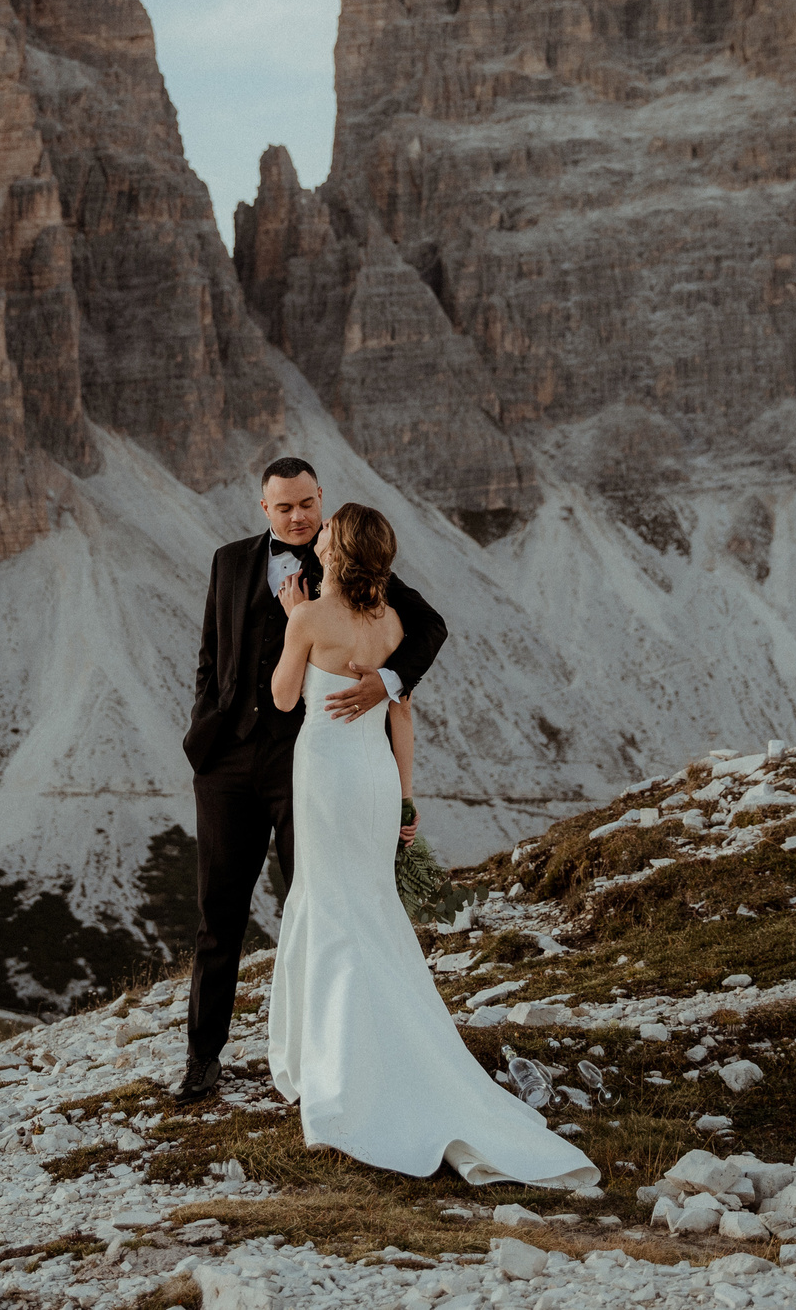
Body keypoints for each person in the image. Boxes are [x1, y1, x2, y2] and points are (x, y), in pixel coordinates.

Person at [265, 502, 599, 1189]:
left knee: (330, 906)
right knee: (368, 906)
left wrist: (293, 617)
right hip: (377, 778)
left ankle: (341, 1069)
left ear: (337, 552)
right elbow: (403, 715)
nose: (316, 535)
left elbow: (283, 697)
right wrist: (406, 799)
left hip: (326, 776)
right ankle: (385, 1045)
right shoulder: (391, 623)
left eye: (326, 533)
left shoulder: (307, 617)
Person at [177, 458, 446, 1102]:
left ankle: (329, 1056)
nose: (299, 517)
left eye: (307, 504)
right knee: (218, 913)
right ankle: (202, 1059)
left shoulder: (352, 560)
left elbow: (430, 627)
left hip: (308, 763)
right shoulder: (228, 561)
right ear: (263, 509)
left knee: (320, 907)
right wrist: (204, 728)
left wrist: (386, 682)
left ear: (321, 499)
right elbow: (212, 654)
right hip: (226, 761)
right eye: (285, 507)